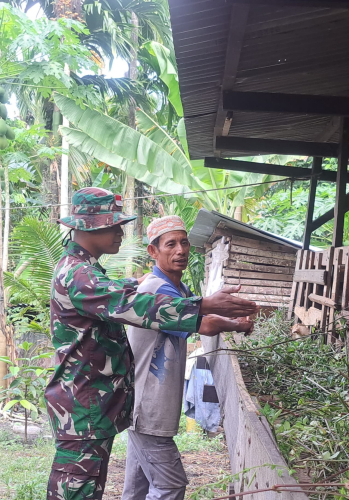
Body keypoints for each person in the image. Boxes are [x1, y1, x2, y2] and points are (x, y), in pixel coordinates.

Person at [46, 188, 259, 500]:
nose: (120, 232)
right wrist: (203, 305)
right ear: (91, 227)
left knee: (88, 488)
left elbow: (121, 293)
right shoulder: (78, 275)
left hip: (91, 404)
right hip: (82, 406)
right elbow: (133, 304)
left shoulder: (85, 270)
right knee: (75, 492)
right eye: (114, 225)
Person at [122, 216, 253, 500]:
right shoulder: (158, 290)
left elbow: (202, 314)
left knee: (138, 487)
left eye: (184, 243)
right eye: (171, 244)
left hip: (144, 404)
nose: (180, 250)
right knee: (170, 486)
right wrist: (237, 323)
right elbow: (204, 324)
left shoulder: (178, 289)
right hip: (148, 405)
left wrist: (230, 314)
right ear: (153, 252)